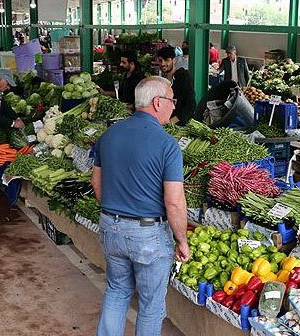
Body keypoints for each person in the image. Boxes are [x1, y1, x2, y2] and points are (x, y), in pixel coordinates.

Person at [92, 76, 190, 336]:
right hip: (148, 235)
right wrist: (182, 240)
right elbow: (174, 201)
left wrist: (114, 214)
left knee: (116, 290)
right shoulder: (167, 145)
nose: (174, 106)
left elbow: (97, 182)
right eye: (172, 100)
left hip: (110, 227)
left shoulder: (109, 134)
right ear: (158, 103)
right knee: (150, 304)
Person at [157, 47, 196, 126]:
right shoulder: (162, 80)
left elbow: (190, 105)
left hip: (178, 125)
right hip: (164, 123)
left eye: (167, 60)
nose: (163, 64)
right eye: (160, 61)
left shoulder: (183, 77)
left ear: (174, 60)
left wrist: (172, 121)